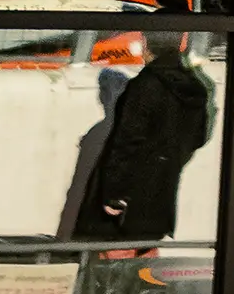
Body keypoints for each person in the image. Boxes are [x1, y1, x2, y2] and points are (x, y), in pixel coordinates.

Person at [71, 25, 216, 248]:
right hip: (161, 198)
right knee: (141, 268)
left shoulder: (144, 86)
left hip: (125, 207)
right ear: (182, 43)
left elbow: (126, 142)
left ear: (145, 42)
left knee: (103, 270)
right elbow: (198, 138)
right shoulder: (196, 88)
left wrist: (113, 195)